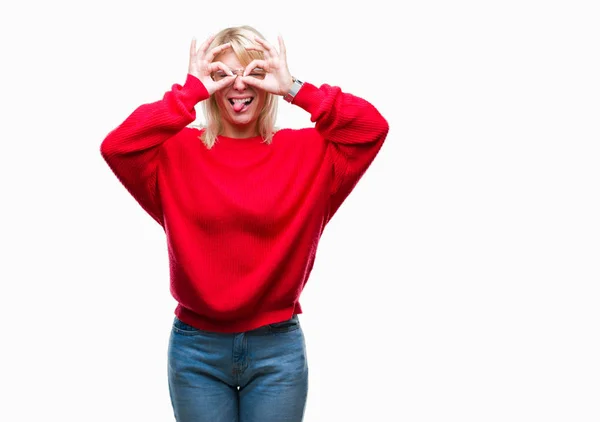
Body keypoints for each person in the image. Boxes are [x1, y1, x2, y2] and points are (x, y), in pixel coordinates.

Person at [100, 25, 389, 422]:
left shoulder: (309, 154)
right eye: (222, 75)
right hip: (196, 349)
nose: (239, 84)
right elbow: (117, 146)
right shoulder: (173, 153)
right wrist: (188, 92)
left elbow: (372, 129)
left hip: (278, 348)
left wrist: (296, 88)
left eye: (253, 71)